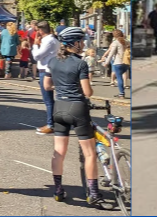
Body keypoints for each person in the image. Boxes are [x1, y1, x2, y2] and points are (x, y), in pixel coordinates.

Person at [43, 27, 105, 206]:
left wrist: (61, 88)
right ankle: (93, 193)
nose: (84, 44)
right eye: (81, 41)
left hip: (59, 108)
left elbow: (47, 85)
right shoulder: (81, 64)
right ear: (74, 43)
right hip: (77, 108)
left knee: (59, 152)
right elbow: (87, 92)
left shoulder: (53, 62)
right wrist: (76, 88)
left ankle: (58, 190)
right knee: (90, 153)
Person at [32, 21, 60, 135]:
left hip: (46, 70)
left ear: (41, 30)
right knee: (50, 100)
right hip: (49, 69)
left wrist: (35, 44)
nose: (36, 33)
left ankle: (50, 124)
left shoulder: (48, 41)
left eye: (37, 30)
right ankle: (52, 123)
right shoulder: (52, 39)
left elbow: (37, 56)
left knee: (48, 100)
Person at [102, 29, 131, 99]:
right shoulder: (127, 42)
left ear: (114, 35)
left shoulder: (116, 42)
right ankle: (122, 92)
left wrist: (106, 62)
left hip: (118, 62)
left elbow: (111, 54)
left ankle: (121, 94)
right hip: (126, 62)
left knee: (119, 78)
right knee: (123, 75)